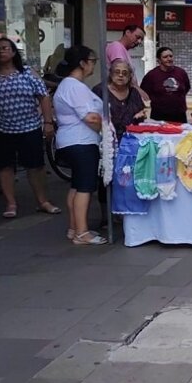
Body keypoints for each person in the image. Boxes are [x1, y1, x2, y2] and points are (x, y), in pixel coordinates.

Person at [0, 38, 60, 219]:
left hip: (29, 127)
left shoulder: (27, 73)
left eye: (5, 48)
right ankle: (11, 203)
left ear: (14, 52)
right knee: (5, 167)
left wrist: (48, 122)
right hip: (0, 129)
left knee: (36, 167)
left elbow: (43, 96)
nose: (1, 51)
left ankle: (43, 201)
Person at [53, 46, 106, 245]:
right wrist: (105, 128)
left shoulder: (69, 85)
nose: (94, 64)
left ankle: (74, 227)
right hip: (81, 141)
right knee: (85, 187)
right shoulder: (75, 87)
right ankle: (82, 232)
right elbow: (90, 117)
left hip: (73, 140)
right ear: (83, 63)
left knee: (76, 186)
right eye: (92, 60)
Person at [93, 59, 147, 140]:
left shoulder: (134, 92)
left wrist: (140, 116)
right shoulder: (100, 90)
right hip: (106, 140)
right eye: (117, 72)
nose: (121, 75)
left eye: (125, 73)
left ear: (129, 76)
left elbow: (141, 113)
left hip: (130, 139)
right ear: (111, 74)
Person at [140, 47, 191, 123]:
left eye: (171, 56)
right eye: (165, 57)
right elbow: (143, 92)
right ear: (159, 60)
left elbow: (186, 87)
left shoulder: (181, 72)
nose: (169, 59)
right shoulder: (152, 75)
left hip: (179, 115)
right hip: (159, 116)